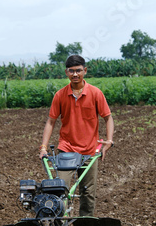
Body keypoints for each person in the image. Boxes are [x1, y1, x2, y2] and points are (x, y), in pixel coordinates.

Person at [39, 54, 114, 217]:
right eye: (71, 71)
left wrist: (108, 141)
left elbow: (108, 117)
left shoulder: (95, 93)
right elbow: (50, 122)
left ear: (85, 71)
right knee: (59, 190)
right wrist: (43, 147)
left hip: (89, 150)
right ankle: (59, 225)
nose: (75, 74)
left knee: (88, 193)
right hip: (66, 149)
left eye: (78, 71)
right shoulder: (60, 95)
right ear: (66, 72)